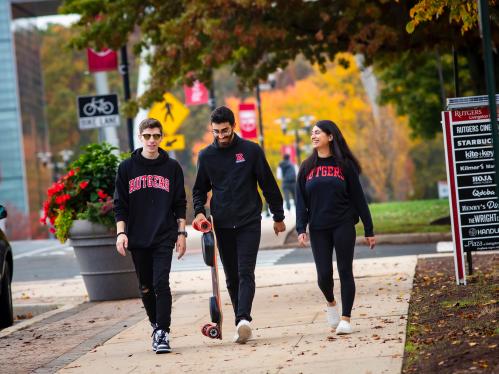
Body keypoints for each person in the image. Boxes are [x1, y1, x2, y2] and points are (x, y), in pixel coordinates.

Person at [192, 106, 286, 344]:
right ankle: (239, 322)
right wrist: (199, 213)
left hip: (249, 221)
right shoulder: (206, 156)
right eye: (216, 132)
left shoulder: (251, 151)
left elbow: (268, 183)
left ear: (233, 126)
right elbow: (199, 190)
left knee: (246, 272)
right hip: (222, 224)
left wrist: (278, 216)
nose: (221, 136)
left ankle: (243, 319)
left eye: (225, 130)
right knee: (231, 277)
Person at [295, 120, 376, 335]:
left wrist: (369, 229)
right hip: (318, 228)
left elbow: (359, 199)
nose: (313, 136)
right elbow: (300, 200)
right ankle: (331, 303)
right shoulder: (306, 167)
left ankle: (346, 318)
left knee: (344, 270)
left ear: (330, 137)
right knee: (323, 276)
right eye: (312, 133)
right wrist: (301, 228)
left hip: (343, 224)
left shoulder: (344, 165)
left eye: (318, 132)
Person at [114, 118, 187, 354]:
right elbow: (120, 205)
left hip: (164, 235)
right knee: (145, 286)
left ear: (161, 137)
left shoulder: (172, 167)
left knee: (160, 283)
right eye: (147, 136)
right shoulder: (126, 168)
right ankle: (156, 326)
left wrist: (182, 233)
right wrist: (121, 233)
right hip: (137, 237)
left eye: (156, 136)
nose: (152, 140)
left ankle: (163, 332)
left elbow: (179, 203)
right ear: (140, 137)